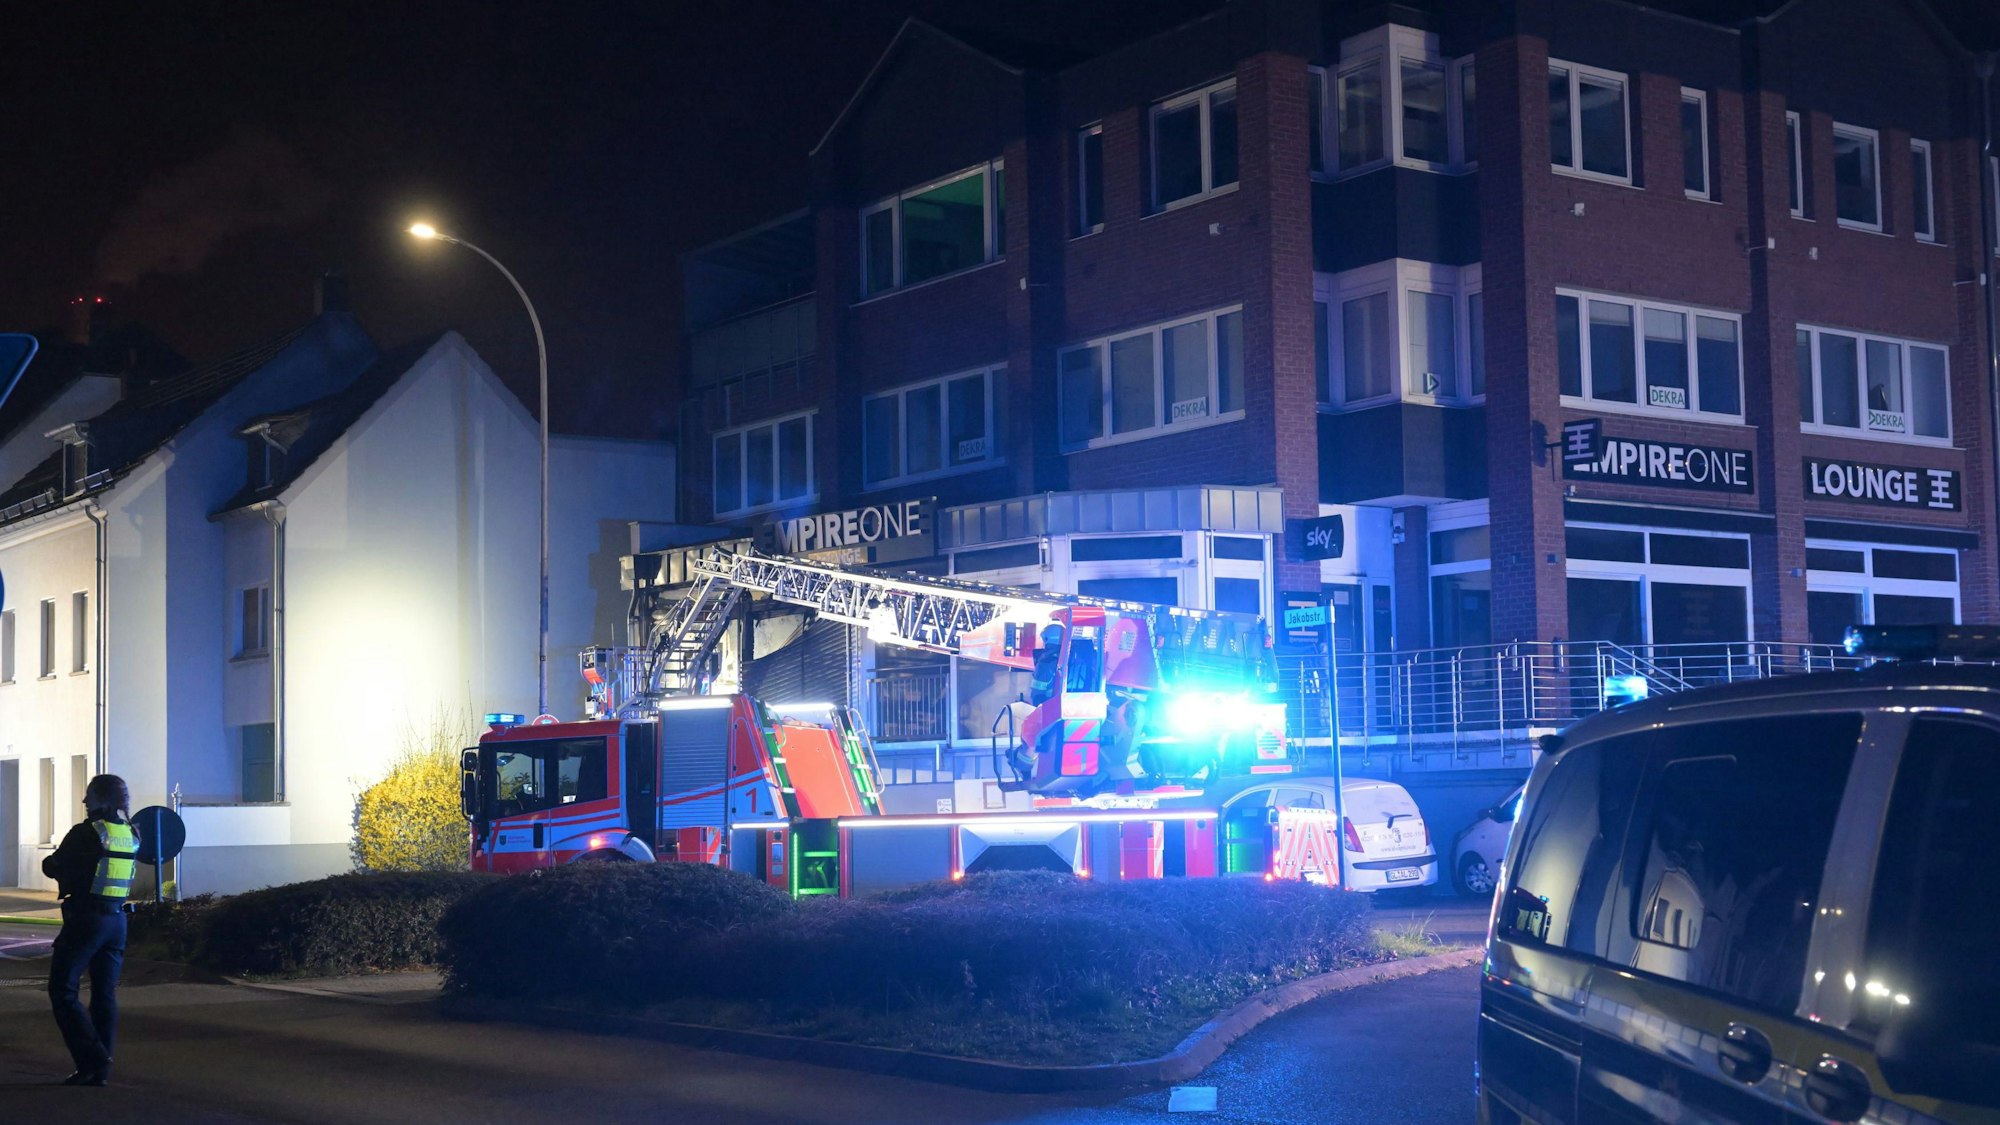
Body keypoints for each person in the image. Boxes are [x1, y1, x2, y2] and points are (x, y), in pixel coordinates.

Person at [41, 773, 138, 1087]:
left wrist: (57, 865)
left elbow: (54, 865)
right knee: (104, 996)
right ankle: (99, 1071)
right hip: (117, 922)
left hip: (86, 919)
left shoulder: (86, 833)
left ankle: (93, 1057)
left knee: (62, 989)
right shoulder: (131, 833)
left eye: (89, 796)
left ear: (103, 799)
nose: (85, 801)